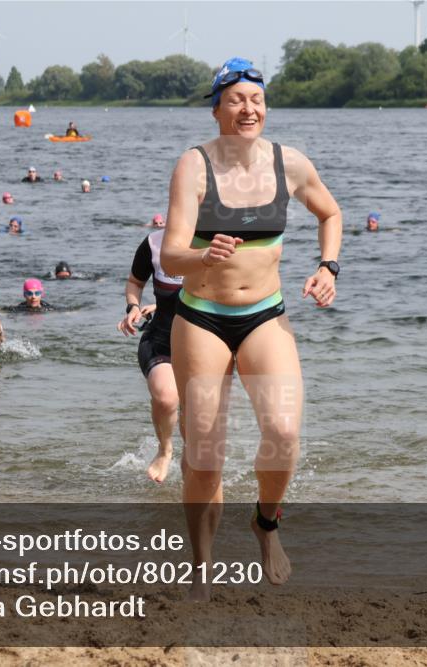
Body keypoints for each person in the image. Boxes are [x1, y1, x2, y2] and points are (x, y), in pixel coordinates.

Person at [161, 57, 342, 601]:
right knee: (205, 455)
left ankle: (266, 524)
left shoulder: (290, 164)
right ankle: (201, 565)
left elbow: (330, 214)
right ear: (217, 107)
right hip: (201, 320)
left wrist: (328, 267)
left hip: (266, 315)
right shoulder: (193, 166)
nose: (249, 108)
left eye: (256, 99)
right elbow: (171, 255)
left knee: (284, 434)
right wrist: (201, 255)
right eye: (236, 99)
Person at [117, 225, 184, 482]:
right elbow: (135, 282)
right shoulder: (155, 243)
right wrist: (132, 307)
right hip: (160, 339)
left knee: (194, 427)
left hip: (204, 344)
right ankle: (165, 450)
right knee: (167, 398)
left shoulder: (218, 242)